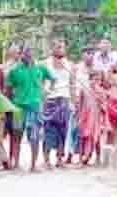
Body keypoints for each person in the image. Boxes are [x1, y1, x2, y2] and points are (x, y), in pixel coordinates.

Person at [6, 46, 54, 172]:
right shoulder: (14, 70)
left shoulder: (40, 68)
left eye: (30, 53)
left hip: (35, 107)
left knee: (34, 137)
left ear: (34, 54)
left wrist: (46, 92)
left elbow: (53, 79)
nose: (28, 55)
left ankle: (33, 165)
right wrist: (12, 102)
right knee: (17, 135)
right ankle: (16, 164)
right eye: (25, 53)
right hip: (18, 107)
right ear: (21, 54)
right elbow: (8, 89)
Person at [42, 39, 74, 168]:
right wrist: (44, 95)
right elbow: (40, 81)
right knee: (48, 130)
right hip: (50, 99)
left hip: (64, 99)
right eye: (58, 47)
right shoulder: (45, 64)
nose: (61, 49)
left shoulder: (69, 65)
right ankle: (46, 159)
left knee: (63, 130)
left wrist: (73, 101)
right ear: (52, 49)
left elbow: (72, 83)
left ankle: (60, 158)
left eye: (63, 47)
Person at [65, 45, 95, 164]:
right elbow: (71, 84)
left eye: (91, 53)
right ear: (83, 55)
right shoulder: (76, 68)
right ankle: (70, 154)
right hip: (77, 101)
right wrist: (73, 100)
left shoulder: (95, 70)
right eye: (87, 53)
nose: (89, 55)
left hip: (90, 104)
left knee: (86, 130)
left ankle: (85, 155)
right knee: (73, 128)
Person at [79, 70, 109, 165]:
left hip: (96, 118)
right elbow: (80, 103)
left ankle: (98, 157)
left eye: (98, 80)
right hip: (86, 117)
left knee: (96, 138)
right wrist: (80, 115)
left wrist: (100, 100)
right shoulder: (84, 89)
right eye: (94, 79)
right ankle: (83, 158)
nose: (96, 82)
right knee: (84, 137)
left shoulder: (102, 92)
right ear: (90, 79)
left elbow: (104, 106)